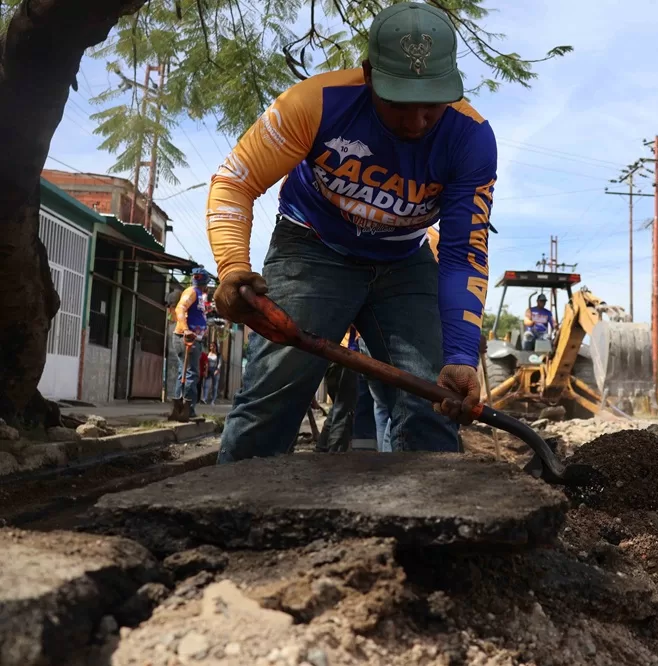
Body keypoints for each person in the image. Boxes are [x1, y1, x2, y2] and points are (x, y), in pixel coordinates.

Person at [206, 2, 497, 463]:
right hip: (311, 247)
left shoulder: (471, 138)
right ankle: (221, 521)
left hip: (404, 261)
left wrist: (460, 355)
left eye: (433, 104)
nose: (418, 121)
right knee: (272, 397)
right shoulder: (316, 103)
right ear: (368, 74)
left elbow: (463, 252)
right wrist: (232, 266)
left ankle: (431, 527)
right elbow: (235, 182)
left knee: (431, 402)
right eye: (401, 102)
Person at [173, 267, 210, 416]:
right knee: (190, 374)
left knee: (186, 373)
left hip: (194, 339)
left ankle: (182, 408)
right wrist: (186, 329)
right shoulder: (192, 292)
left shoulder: (200, 294)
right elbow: (180, 308)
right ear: (206, 282)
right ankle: (187, 410)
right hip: (187, 338)